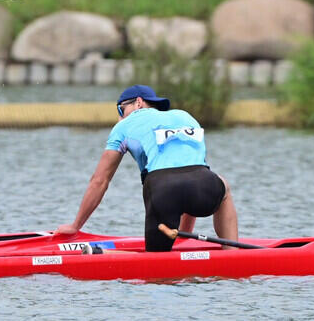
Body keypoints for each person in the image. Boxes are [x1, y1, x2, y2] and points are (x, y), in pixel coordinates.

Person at [55, 85, 240, 251]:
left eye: (121, 109)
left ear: (138, 103)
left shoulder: (123, 126)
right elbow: (192, 170)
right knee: (222, 186)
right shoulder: (185, 116)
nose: (120, 116)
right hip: (203, 184)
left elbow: (100, 180)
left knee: (158, 275)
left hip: (162, 190)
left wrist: (75, 226)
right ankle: (233, 254)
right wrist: (183, 239)